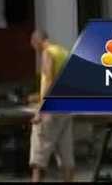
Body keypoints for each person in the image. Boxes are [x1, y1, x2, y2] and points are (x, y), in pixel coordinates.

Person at [28, 29, 75, 182]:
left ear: (37, 42)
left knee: (39, 158)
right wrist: (37, 96)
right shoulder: (63, 52)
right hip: (66, 108)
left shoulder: (47, 53)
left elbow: (49, 79)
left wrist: (40, 110)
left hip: (51, 110)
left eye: (34, 46)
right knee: (66, 158)